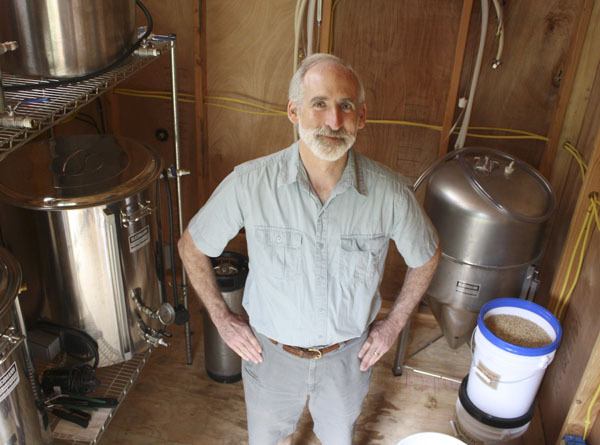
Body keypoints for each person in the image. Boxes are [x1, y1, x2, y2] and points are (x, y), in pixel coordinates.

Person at [178, 53, 440, 445]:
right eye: (319, 104)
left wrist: (393, 325)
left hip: (347, 360)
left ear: (362, 117)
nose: (334, 121)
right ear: (294, 111)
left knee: (337, 438)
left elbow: (427, 256)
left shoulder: (389, 194)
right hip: (270, 358)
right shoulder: (251, 184)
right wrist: (222, 318)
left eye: (345, 106)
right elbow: (192, 247)